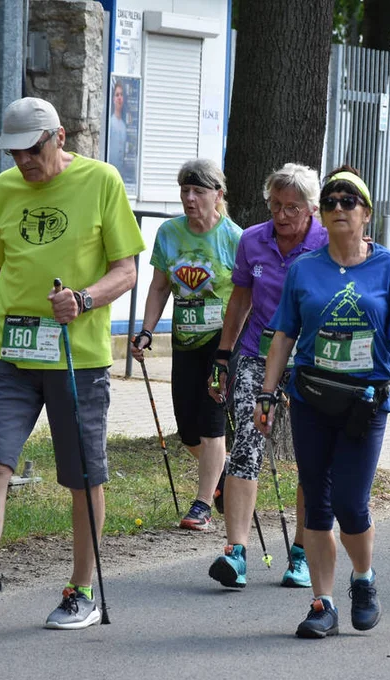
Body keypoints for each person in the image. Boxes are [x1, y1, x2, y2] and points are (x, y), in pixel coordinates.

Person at [0, 97, 144, 636]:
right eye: (15, 152)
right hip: (10, 350)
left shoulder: (102, 181)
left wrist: (85, 299)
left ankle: (81, 590)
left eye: (33, 149)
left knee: (81, 477)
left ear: (60, 137)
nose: (24, 161)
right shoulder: (6, 187)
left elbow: (127, 270)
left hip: (77, 356)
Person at [253, 166, 390, 638]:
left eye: (349, 201)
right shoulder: (305, 268)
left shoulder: (387, 267)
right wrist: (266, 394)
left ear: (366, 214)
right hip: (311, 396)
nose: (338, 208)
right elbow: (285, 334)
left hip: (364, 402)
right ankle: (321, 603)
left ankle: (363, 580)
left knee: (351, 503)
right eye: (330, 202)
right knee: (318, 506)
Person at [206, 163, 328, 590]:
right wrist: (224, 357)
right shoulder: (252, 241)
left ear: (311, 208)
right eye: (275, 205)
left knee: (312, 456)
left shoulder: (327, 243)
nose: (281, 215)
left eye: (291, 207)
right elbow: (240, 300)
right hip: (257, 354)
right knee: (247, 442)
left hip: (309, 360)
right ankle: (235, 553)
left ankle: (300, 553)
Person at [131, 159, 241, 531]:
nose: (190, 199)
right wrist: (146, 331)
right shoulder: (169, 233)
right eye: (184, 191)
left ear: (218, 195)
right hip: (185, 340)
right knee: (188, 432)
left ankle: (202, 506)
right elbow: (160, 286)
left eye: (198, 192)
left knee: (212, 426)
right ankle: (226, 477)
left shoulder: (234, 238)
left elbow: (247, 296)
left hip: (222, 342)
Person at [107, 81, 128, 182]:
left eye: (121, 95)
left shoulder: (124, 126)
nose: (119, 98)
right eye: (117, 95)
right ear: (113, 99)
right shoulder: (110, 123)